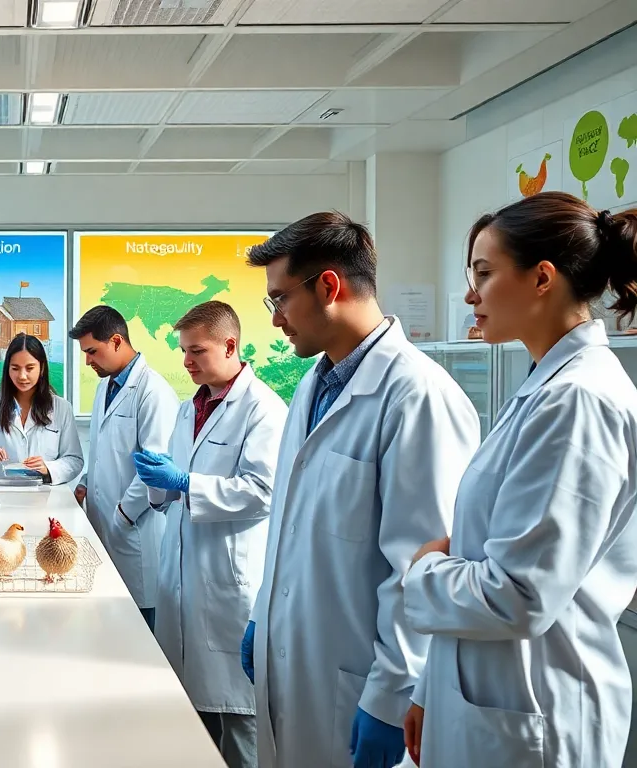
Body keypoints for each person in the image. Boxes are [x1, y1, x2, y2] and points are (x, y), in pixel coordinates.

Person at [402, 193, 637, 768]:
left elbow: (519, 596)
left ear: (542, 279)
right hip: (493, 692)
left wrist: (422, 570)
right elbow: (488, 554)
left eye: (484, 274)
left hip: (540, 708)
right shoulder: (545, 387)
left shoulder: (578, 401)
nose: (470, 296)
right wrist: (432, 686)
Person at [241, 212, 480, 768]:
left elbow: (419, 566)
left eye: (280, 299)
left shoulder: (417, 397)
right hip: (298, 657)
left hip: (359, 685)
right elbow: (289, 526)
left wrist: (393, 694)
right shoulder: (314, 384)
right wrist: (262, 612)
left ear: (329, 286)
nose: (275, 319)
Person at [133, 301, 286, 768]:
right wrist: (161, 482)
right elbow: (174, 490)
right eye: (183, 350)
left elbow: (262, 492)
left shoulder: (263, 410)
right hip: (183, 578)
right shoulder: (189, 410)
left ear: (230, 346)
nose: (186, 361)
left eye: (196, 351)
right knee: (191, 724)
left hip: (229, 584)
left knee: (239, 725)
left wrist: (186, 483)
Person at [70, 305, 178, 630]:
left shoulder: (153, 392)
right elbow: (103, 451)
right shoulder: (105, 386)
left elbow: (156, 466)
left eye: (92, 351)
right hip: (104, 525)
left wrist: (123, 515)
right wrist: (86, 481)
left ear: (116, 341)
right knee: (109, 628)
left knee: (141, 630)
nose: (87, 361)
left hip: (135, 530)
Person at [0, 333, 84, 486]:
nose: (22, 376)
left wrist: (48, 468)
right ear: (7, 369)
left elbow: (74, 460)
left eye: (30, 368)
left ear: (42, 368)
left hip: (45, 495)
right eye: (15, 368)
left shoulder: (61, 408)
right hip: (0, 492)